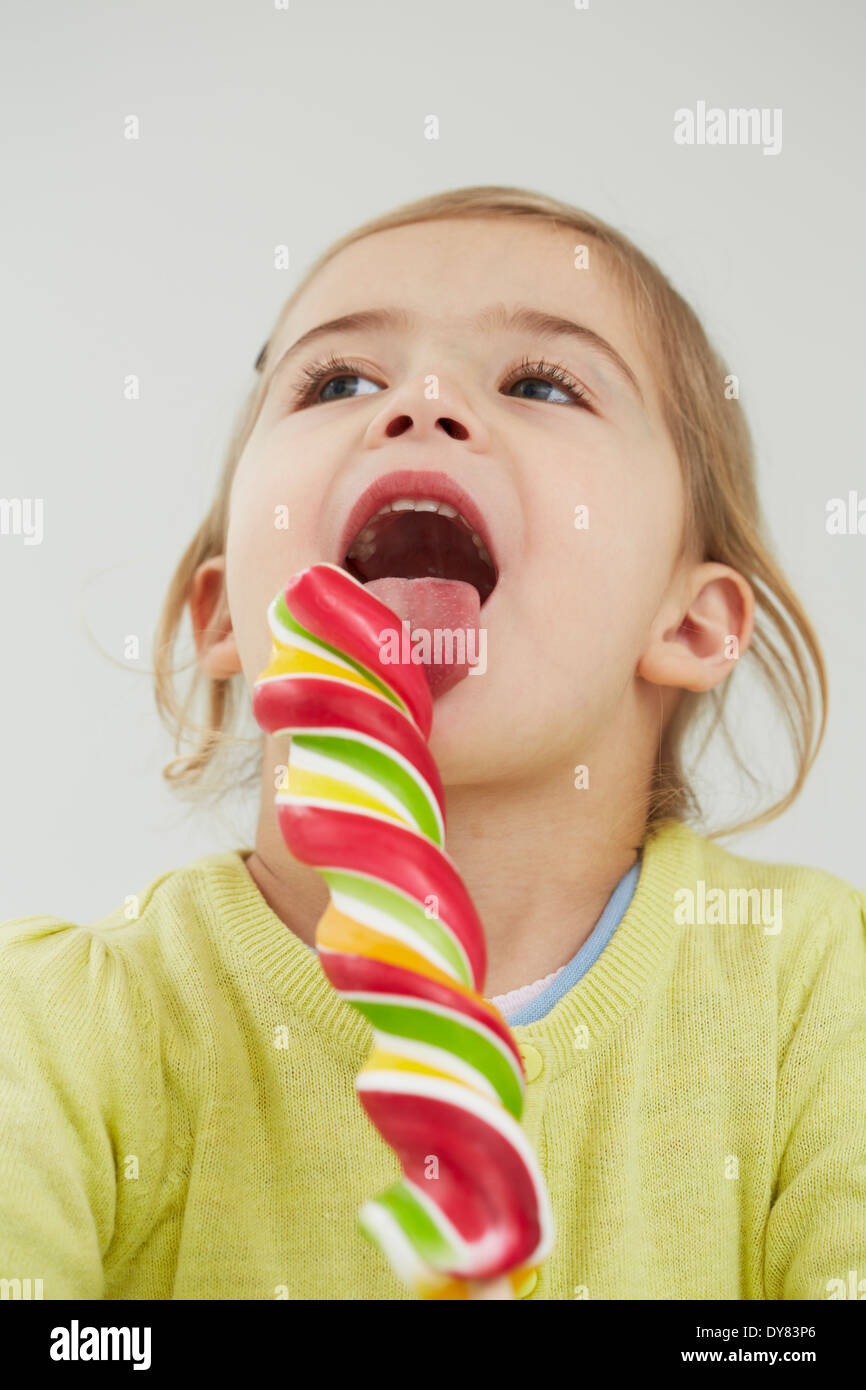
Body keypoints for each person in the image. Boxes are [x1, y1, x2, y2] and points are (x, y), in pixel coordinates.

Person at [2, 186, 864, 1301]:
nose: (422, 401)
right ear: (223, 617)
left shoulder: (815, 993)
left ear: (689, 621)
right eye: (338, 380)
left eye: (541, 382)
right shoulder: (59, 1032)